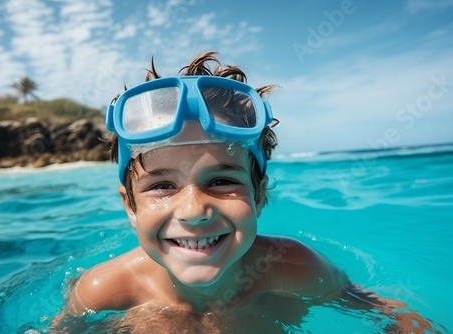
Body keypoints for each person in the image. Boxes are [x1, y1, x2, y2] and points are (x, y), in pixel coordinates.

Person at [52, 52, 435, 333]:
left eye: (221, 181)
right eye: (162, 185)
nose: (193, 210)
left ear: (259, 192)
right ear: (130, 206)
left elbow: (389, 314)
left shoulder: (296, 268)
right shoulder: (103, 292)